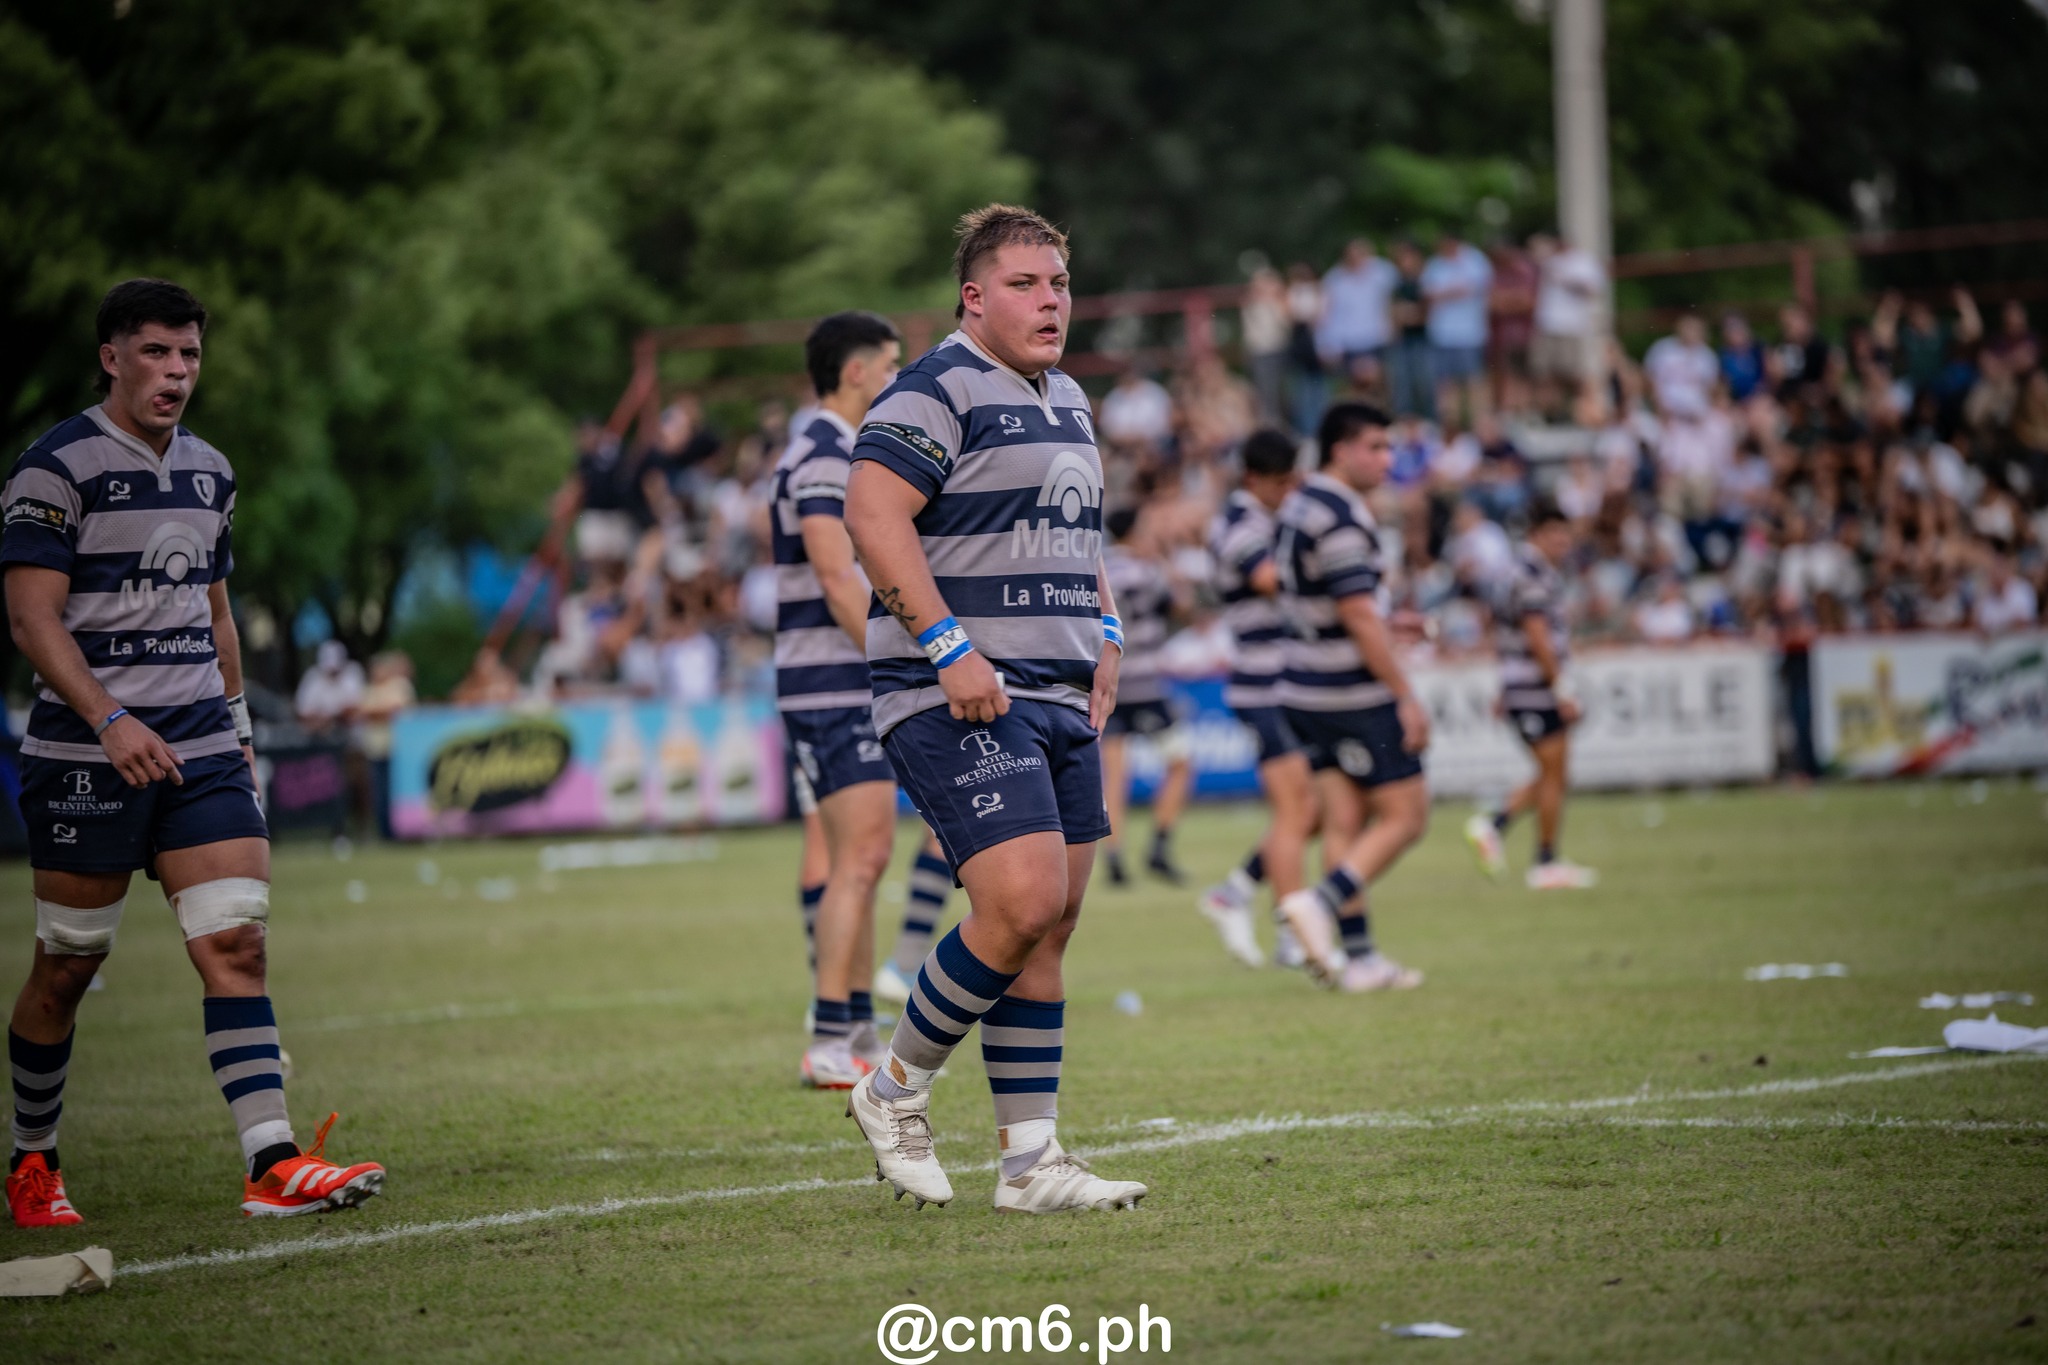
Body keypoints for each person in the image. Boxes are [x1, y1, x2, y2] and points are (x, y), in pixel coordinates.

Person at [2, 279, 382, 1227]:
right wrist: (110, 721)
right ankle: (33, 1161)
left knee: (237, 944)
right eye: (159, 353)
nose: (177, 372)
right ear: (113, 357)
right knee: (67, 966)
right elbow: (30, 617)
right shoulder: (53, 468)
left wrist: (241, 733)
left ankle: (272, 1161)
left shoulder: (211, 470)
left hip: (204, 748)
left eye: (191, 355)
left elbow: (217, 616)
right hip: (88, 757)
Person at [841, 203, 1146, 1213]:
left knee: (1048, 927)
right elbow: (872, 514)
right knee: (1014, 905)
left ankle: (1028, 1165)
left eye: (1058, 283)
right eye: (1024, 284)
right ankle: (889, 1092)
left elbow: (1075, 535)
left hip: (1058, 691)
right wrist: (946, 646)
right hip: (960, 693)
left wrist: (1105, 633)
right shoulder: (934, 385)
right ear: (973, 298)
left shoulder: (1066, 399)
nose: (1049, 301)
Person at [770, 309, 907, 1088]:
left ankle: (852, 1023)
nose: (894, 378)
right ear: (855, 372)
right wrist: (898, 655)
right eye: (888, 364)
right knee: (858, 857)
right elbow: (833, 576)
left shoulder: (835, 448)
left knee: (868, 854)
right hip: (832, 682)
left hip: (833, 678)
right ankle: (828, 1034)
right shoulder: (822, 453)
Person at [1273, 402, 1430, 994]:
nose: (1387, 459)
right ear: (1340, 449)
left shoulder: (1299, 503)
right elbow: (1358, 613)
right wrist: (1406, 694)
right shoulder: (1340, 515)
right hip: (1349, 691)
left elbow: (1338, 605)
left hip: (1301, 686)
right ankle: (1316, 903)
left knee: (1345, 818)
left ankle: (1359, 958)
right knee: (1407, 816)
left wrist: (1389, 624)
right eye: (1375, 447)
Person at [1197, 428, 1316, 970]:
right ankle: (1294, 932)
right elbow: (1272, 580)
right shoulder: (1238, 524)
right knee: (1299, 809)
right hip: (1263, 683)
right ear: (1254, 479)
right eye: (1282, 481)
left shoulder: (1269, 518)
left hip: (1287, 681)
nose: (1290, 490)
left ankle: (1239, 891)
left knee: (1307, 810)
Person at [1464, 507, 1599, 890]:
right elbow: (1537, 636)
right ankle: (1541, 858)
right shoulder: (1532, 576)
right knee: (1555, 773)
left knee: (1552, 773)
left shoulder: (1516, 573)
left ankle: (1499, 827)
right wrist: (1562, 688)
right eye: (1557, 534)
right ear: (1537, 534)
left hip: (1521, 686)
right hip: (1536, 690)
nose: (1564, 543)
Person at [1099, 506, 1192, 887]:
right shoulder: (1148, 572)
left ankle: (1115, 858)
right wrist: (1165, 559)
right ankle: (1159, 846)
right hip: (1147, 686)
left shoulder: (1101, 568)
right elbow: (1183, 604)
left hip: (1112, 680)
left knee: (1115, 775)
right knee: (1180, 761)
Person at [1529, 234, 1608, 418]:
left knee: (1576, 374)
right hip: (1547, 325)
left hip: (1572, 327)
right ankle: (1553, 414)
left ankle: (1584, 412)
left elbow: (1592, 290)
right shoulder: (1549, 260)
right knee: (1546, 374)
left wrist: (1565, 279)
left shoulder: (1584, 262)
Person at [1421, 232, 1495, 427]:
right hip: (1442, 333)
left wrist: (1445, 292)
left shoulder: (1475, 260)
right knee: (1445, 383)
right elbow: (1429, 294)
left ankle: (1479, 423)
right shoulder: (1435, 264)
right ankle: (1449, 424)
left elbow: (1475, 288)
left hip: (1470, 332)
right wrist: (1451, 292)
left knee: (1473, 381)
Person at [293, 638, 364, 738]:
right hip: (318, 738)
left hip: (350, 737)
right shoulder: (313, 677)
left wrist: (333, 717)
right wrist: (322, 720)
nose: (332, 673)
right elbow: (303, 711)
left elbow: (357, 708)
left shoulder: (353, 672)